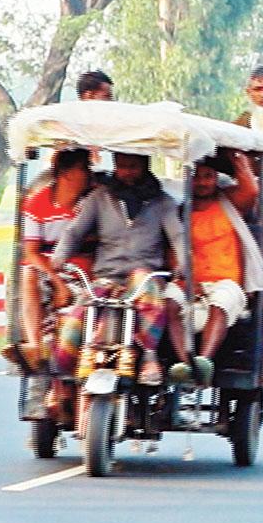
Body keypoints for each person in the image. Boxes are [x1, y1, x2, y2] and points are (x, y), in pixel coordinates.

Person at [50, 151, 185, 386]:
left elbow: (178, 236)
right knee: (75, 322)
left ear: (144, 165)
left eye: (133, 166)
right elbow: (74, 232)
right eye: (122, 166)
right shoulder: (99, 197)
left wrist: (184, 263)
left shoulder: (163, 202)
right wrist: (60, 256)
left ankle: (149, 357)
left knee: (148, 290)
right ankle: (63, 381)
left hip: (144, 277)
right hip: (106, 277)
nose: (127, 172)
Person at [7, 147, 93, 418]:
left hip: (82, 267)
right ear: (67, 174)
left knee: (80, 310)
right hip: (46, 266)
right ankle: (34, 345)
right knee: (28, 274)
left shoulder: (92, 202)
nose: (88, 175)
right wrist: (58, 283)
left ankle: (67, 383)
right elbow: (31, 252)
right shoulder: (37, 203)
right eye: (83, 169)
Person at [172, 150, 263, 384]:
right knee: (167, 304)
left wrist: (236, 156)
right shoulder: (178, 212)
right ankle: (184, 366)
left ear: (216, 178)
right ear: (187, 178)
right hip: (189, 284)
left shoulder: (229, 203)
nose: (202, 182)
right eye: (196, 176)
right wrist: (185, 279)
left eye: (208, 176)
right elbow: (172, 253)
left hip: (226, 283)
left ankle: (203, 363)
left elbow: (252, 190)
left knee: (219, 305)